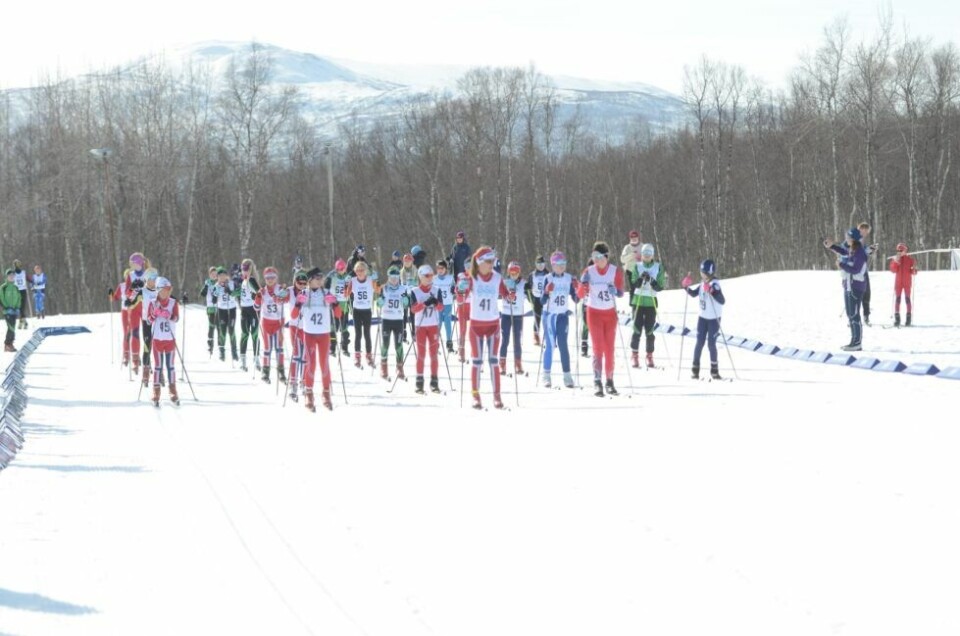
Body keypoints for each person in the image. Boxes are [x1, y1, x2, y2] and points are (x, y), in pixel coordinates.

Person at [460, 246, 513, 409]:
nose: (492, 264)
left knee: (493, 360)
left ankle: (497, 397)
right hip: (476, 325)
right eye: (488, 261)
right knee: (476, 361)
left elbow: (506, 294)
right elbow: (462, 294)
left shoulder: (497, 277)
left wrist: (510, 295)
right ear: (480, 262)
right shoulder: (472, 278)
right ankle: (476, 396)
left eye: (493, 261)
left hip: (493, 325)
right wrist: (460, 290)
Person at [291, 267, 341, 411]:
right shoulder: (304, 294)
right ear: (310, 280)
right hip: (309, 334)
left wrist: (335, 303)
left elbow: (338, 315)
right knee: (310, 364)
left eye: (321, 278)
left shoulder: (326, 293)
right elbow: (294, 316)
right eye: (317, 278)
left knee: (324, 364)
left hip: (324, 334)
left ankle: (326, 393)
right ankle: (309, 393)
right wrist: (298, 303)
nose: (320, 281)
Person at [579, 242, 624, 397]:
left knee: (609, 348)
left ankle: (610, 381)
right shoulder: (589, 271)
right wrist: (582, 283)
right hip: (594, 313)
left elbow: (621, 292)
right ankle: (597, 381)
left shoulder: (614, 271)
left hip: (610, 314)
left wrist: (616, 291)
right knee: (598, 347)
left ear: (606, 257)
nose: (596, 260)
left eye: (599, 257)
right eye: (594, 257)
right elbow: (579, 294)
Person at [540, 252, 579, 388]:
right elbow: (542, 300)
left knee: (563, 345)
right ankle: (546, 375)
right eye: (558, 264)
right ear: (553, 265)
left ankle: (567, 376)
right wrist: (546, 291)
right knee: (550, 345)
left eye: (563, 264)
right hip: (550, 316)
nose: (561, 267)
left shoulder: (569, 278)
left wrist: (577, 288)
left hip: (562, 316)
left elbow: (576, 299)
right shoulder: (548, 278)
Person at [825, 228, 868, 351]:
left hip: (856, 286)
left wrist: (841, 265)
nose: (846, 240)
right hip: (848, 285)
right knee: (850, 314)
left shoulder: (859, 252)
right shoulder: (851, 249)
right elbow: (843, 251)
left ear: (854, 239)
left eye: (849, 238)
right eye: (846, 237)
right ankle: (853, 341)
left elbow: (856, 270)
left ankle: (857, 343)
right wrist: (832, 246)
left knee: (854, 315)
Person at [685, 259, 726, 379]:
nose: (702, 275)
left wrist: (712, 291)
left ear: (710, 273)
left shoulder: (715, 284)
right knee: (699, 343)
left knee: (711, 345)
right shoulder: (703, 284)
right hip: (702, 318)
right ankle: (695, 369)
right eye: (701, 272)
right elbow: (693, 294)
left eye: (704, 273)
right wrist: (686, 286)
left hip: (714, 320)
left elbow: (722, 300)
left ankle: (714, 371)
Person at [627, 243, 665, 368]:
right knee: (637, 329)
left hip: (650, 302)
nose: (647, 256)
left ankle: (649, 355)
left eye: (649, 254)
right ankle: (634, 355)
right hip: (638, 301)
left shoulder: (658, 267)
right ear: (641, 255)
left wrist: (652, 281)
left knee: (649, 330)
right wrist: (640, 279)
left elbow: (660, 286)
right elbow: (633, 283)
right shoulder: (637, 266)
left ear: (652, 255)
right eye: (644, 254)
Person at [408, 264, 443, 394]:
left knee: (433, 354)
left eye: (431, 276)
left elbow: (441, 308)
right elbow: (413, 309)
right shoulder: (415, 291)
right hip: (420, 326)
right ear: (421, 277)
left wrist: (436, 302)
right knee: (421, 355)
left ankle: (434, 382)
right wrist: (424, 304)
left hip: (433, 325)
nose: (430, 278)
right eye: (427, 276)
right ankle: (419, 382)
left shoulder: (436, 290)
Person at [146, 277, 180, 406]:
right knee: (158, 367)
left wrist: (169, 315)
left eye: (168, 290)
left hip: (170, 340)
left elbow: (176, 318)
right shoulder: (153, 302)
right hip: (157, 340)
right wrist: (154, 314)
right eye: (164, 290)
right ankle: (156, 391)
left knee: (170, 366)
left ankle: (173, 390)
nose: (166, 293)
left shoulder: (173, 302)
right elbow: (148, 321)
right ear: (158, 290)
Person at [254, 266, 288, 384]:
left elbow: (285, 299)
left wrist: (279, 297)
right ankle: (265, 371)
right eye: (268, 277)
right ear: (264, 278)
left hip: (278, 323)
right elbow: (256, 308)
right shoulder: (262, 291)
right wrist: (258, 298)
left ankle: (281, 371)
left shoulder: (281, 288)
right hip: (267, 323)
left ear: (276, 278)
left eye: (272, 277)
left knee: (279, 348)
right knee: (267, 348)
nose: (270, 280)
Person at [377, 266, 409, 380]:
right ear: (388, 277)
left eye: (396, 277)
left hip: (398, 320)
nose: (394, 279)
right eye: (392, 277)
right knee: (385, 344)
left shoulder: (402, 289)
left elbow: (406, 304)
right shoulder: (384, 288)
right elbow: (378, 304)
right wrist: (380, 301)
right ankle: (383, 367)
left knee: (398, 345)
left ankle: (399, 367)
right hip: (386, 319)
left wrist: (406, 301)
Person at [346, 261, 377, 368]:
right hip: (357, 311)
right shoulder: (353, 281)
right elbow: (346, 294)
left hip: (367, 310)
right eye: (358, 270)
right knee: (358, 334)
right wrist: (345, 285)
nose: (360, 272)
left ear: (366, 271)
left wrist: (377, 282)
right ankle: (357, 356)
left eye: (362, 270)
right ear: (355, 271)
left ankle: (368, 356)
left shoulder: (370, 280)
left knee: (367, 334)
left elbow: (378, 290)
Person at [499, 261, 527, 376]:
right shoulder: (504, 282)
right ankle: (502, 363)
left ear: (519, 272)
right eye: (512, 272)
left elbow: (532, 293)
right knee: (505, 339)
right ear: (508, 272)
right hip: (506, 314)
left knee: (517, 341)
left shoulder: (524, 283)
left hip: (518, 316)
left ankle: (518, 363)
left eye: (516, 272)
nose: (514, 274)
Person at [285, 269, 309, 400]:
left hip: (306, 327)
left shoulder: (309, 292)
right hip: (294, 326)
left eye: (304, 283)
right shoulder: (289, 291)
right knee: (296, 355)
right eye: (299, 283)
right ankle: (293, 383)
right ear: (295, 282)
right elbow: (280, 298)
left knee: (305, 357)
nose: (302, 285)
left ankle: (304, 382)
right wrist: (278, 297)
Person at [237, 259, 261, 371]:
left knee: (254, 334)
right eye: (243, 270)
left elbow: (259, 292)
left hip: (253, 310)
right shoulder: (244, 281)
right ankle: (243, 360)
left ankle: (256, 359)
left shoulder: (251, 279)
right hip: (244, 310)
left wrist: (255, 296)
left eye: (246, 270)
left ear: (250, 269)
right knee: (244, 334)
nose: (244, 272)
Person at [324, 259, 352, 355]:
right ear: (336, 269)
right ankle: (332, 347)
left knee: (344, 327)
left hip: (344, 305)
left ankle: (344, 347)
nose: (341, 270)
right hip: (334, 305)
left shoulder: (347, 277)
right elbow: (325, 289)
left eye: (343, 268)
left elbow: (351, 289)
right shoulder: (331, 276)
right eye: (339, 269)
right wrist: (328, 297)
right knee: (333, 328)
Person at [212, 266, 240, 362]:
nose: (222, 277)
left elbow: (238, 293)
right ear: (217, 277)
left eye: (224, 275)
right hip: (222, 310)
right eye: (220, 276)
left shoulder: (232, 283)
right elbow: (214, 300)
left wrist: (231, 292)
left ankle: (234, 352)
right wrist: (217, 292)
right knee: (222, 331)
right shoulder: (216, 286)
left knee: (231, 330)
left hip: (231, 309)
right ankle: (222, 351)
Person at [138, 268, 160, 387]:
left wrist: (182, 300)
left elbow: (170, 300)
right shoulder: (142, 291)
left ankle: (159, 371)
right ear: (146, 279)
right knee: (147, 346)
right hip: (146, 321)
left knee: (158, 346)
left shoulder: (159, 291)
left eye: (155, 278)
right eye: (151, 279)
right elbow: (130, 299)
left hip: (157, 322)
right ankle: (145, 373)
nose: (153, 281)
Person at [889, 242, 917, 327]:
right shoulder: (895, 259)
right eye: (898, 250)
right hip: (898, 283)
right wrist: (896, 262)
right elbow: (893, 270)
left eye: (901, 250)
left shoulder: (910, 260)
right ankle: (897, 319)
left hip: (907, 283)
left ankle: (908, 319)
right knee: (898, 299)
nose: (899, 252)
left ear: (905, 250)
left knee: (907, 299)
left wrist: (914, 269)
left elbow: (914, 272)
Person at [432, 260, 456, 353]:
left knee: (447, 323)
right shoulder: (434, 279)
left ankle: (449, 343)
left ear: (445, 269)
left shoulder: (450, 278)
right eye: (438, 268)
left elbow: (455, 288)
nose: (440, 270)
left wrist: (454, 289)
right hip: (438, 305)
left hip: (447, 304)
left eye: (442, 268)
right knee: (438, 324)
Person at [858, 222, 879, 326]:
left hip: (864, 271)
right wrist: (868, 250)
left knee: (867, 294)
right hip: (856, 273)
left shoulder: (863, 241)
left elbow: (864, 251)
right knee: (857, 295)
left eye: (867, 230)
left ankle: (866, 316)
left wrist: (871, 249)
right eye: (863, 229)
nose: (865, 231)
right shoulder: (855, 239)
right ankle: (854, 318)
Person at [526, 256, 548, 346]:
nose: (540, 266)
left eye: (542, 264)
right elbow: (528, 287)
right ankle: (536, 335)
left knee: (546, 317)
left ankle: (548, 335)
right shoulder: (532, 275)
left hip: (545, 298)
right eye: (538, 264)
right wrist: (529, 297)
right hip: (536, 297)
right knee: (537, 317)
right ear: (535, 265)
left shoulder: (548, 274)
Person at [199, 266, 219, 355]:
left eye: (215, 274)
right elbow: (202, 294)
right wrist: (206, 286)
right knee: (211, 326)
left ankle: (220, 344)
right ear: (209, 275)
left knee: (219, 326)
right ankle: (210, 343)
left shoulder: (219, 283)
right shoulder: (208, 283)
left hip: (219, 308)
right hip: (210, 307)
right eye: (212, 274)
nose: (214, 276)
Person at [1, 269, 21, 352]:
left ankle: (10, 343)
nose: (12, 277)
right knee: (11, 327)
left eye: (13, 276)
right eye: (10, 276)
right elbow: (1, 298)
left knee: (13, 327)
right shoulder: (3, 287)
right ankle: (7, 344)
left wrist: (17, 307)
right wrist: (6, 307)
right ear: (7, 277)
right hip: (7, 311)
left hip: (14, 311)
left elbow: (19, 298)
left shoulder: (16, 287)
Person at [619, 230, 642, 303]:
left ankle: (640, 303)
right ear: (630, 238)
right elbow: (622, 259)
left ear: (638, 237)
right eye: (632, 237)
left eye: (635, 237)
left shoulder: (642, 246)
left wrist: (641, 257)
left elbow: (647, 257)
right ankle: (632, 304)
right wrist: (631, 255)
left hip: (641, 270)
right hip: (630, 270)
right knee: (633, 288)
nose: (634, 239)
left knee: (640, 287)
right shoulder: (627, 248)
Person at [11, 260, 28, 328]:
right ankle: (23, 321)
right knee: (19, 307)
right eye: (16, 265)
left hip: (23, 290)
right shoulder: (13, 273)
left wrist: (33, 282)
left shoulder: (23, 273)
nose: (17, 266)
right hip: (16, 292)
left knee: (22, 307)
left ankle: (22, 321)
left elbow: (29, 279)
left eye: (18, 264)